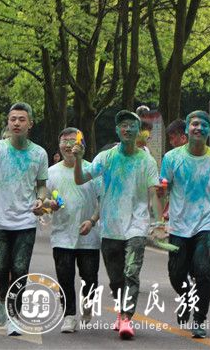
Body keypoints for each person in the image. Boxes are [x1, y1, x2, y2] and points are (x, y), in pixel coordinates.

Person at [73, 110, 159, 340]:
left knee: (131, 272)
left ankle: (127, 318)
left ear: (138, 130)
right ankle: (121, 312)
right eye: (123, 125)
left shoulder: (147, 161)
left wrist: (159, 222)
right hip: (111, 227)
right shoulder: (106, 158)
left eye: (132, 125)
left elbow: (154, 192)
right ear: (117, 130)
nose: (127, 129)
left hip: (137, 225)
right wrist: (79, 159)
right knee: (116, 278)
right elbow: (80, 179)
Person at [0, 102, 49, 337]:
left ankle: (14, 315)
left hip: (25, 222)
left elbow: (41, 185)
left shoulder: (39, 153)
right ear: (8, 122)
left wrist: (40, 200)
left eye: (21, 119)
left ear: (30, 124)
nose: (16, 123)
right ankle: (2, 298)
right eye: (13, 119)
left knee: (19, 270)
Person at [159, 110, 210, 338]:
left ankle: (199, 319)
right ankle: (186, 297)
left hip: (207, 223)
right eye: (194, 124)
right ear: (187, 129)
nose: (199, 128)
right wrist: (158, 217)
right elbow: (163, 189)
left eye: (204, 124)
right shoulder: (172, 158)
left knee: (204, 273)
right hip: (179, 224)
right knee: (176, 273)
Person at [46, 128, 102, 333]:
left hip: (89, 235)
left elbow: (102, 200)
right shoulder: (51, 172)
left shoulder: (92, 170)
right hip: (62, 234)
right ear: (59, 146)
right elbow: (44, 198)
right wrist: (48, 204)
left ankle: (88, 304)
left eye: (73, 141)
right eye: (64, 141)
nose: (68, 145)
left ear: (82, 145)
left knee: (90, 277)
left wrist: (92, 220)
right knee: (65, 277)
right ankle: (69, 315)